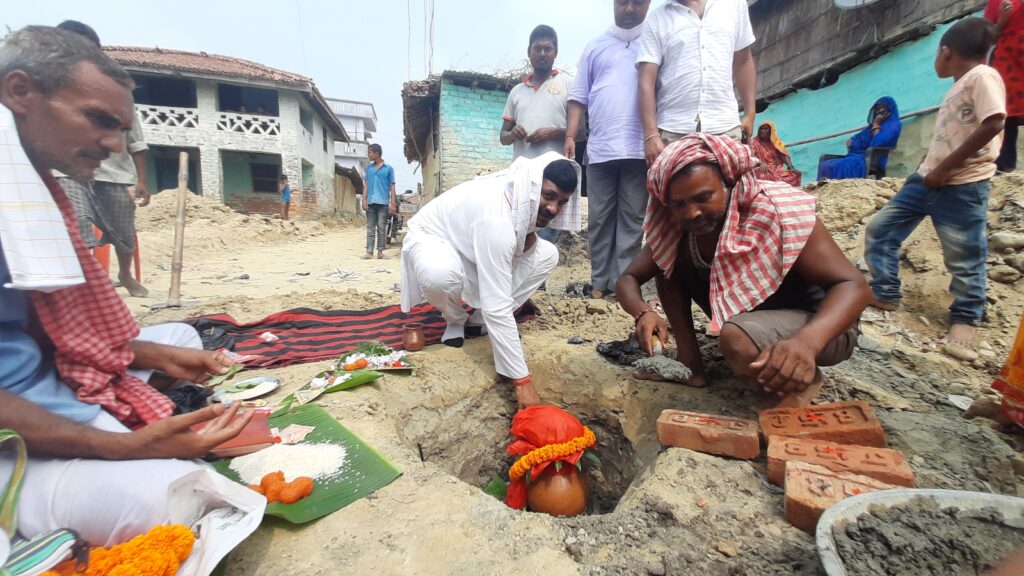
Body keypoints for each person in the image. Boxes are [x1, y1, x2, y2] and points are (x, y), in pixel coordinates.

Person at [0, 26, 256, 547]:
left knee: (182, 337)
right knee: (183, 501)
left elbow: (52, 328)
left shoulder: (37, 189)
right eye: (99, 120)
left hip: (55, 382)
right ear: (20, 92)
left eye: (121, 128)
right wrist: (125, 447)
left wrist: (157, 354)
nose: (116, 145)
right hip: (15, 434)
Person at [616, 134, 869, 407]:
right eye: (679, 204)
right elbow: (629, 278)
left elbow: (854, 286)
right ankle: (690, 364)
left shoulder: (777, 212)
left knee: (736, 339)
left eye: (704, 197)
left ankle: (798, 381)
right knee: (667, 262)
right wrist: (643, 312)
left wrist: (807, 343)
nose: (692, 213)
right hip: (756, 325)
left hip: (824, 327)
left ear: (729, 184)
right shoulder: (678, 228)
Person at [399, 153, 581, 410]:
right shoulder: (497, 217)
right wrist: (522, 381)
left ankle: (478, 320)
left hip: (476, 244)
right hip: (437, 239)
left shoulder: (521, 202)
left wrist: (527, 240)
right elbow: (498, 302)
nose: (553, 209)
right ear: (531, 187)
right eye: (548, 196)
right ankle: (454, 318)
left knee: (547, 255)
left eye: (561, 202)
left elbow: (517, 242)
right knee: (440, 276)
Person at [865, 17, 1006, 347]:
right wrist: (930, 167)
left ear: (945, 51)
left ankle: (966, 316)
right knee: (881, 229)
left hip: (964, 184)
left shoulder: (982, 76)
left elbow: (995, 122)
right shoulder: (959, 85)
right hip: (926, 179)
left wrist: (945, 168)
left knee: (964, 254)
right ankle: (885, 291)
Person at [51, 20, 151, 299]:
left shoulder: (115, 89)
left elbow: (136, 139)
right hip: (68, 171)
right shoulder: (49, 88)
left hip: (113, 173)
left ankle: (125, 275)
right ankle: (89, 284)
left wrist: (142, 181)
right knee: (78, 223)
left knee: (124, 232)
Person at [565, 0, 651, 300]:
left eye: (638, 2)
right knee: (599, 220)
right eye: (623, 1)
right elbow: (578, 97)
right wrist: (571, 135)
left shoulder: (653, 42)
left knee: (632, 219)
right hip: (600, 150)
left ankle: (622, 286)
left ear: (648, 4)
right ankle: (599, 283)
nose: (629, 8)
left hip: (639, 150)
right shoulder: (595, 46)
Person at [637, 0, 758, 167]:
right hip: (673, 132)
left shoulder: (734, 5)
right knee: (665, 184)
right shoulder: (657, 19)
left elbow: (743, 61)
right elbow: (646, 82)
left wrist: (750, 113)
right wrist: (651, 135)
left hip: (726, 128)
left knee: (739, 183)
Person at [501, 25, 574, 243]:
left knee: (543, 242)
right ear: (529, 52)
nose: (542, 53)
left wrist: (552, 133)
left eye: (547, 49)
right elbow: (503, 137)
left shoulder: (567, 85)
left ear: (555, 53)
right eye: (537, 48)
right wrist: (513, 133)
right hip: (521, 178)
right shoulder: (517, 91)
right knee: (514, 236)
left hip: (552, 181)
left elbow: (580, 132)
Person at [816, 97, 902, 181]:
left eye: (883, 108)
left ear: (891, 109)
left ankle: (846, 187)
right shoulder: (870, 127)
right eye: (877, 108)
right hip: (859, 155)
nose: (879, 111)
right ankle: (823, 187)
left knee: (845, 165)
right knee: (825, 164)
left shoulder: (894, 125)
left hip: (874, 157)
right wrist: (852, 141)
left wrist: (876, 124)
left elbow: (878, 142)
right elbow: (858, 138)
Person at [986, 0, 1023, 173]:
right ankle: (1005, 165)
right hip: (1007, 60)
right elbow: (988, 36)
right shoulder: (995, 3)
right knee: (1007, 112)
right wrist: (1002, 20)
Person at [362, 143, 396, 259]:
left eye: (370, 153)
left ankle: (380, 252)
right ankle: (369, 252)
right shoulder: (369, 168)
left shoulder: (389, 169)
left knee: (381, 228)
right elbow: (366, 184)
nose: (368, 155)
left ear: (376, 154)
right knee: (370, 228)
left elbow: (392, 186)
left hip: (383, 203)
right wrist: (364, 200)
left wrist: (393, 203)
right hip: (370, 202)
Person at [750, 120, 802, 187]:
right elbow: (751, 156)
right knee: (763, 174)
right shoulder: (753, 142)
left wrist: (791, 167)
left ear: (771, 131)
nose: (762, 131)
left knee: (795, 174)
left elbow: (783, 154)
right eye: (761, 129)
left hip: (777, 169)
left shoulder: (776, 142)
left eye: (765, 129)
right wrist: (760, 163)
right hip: (762, 168)